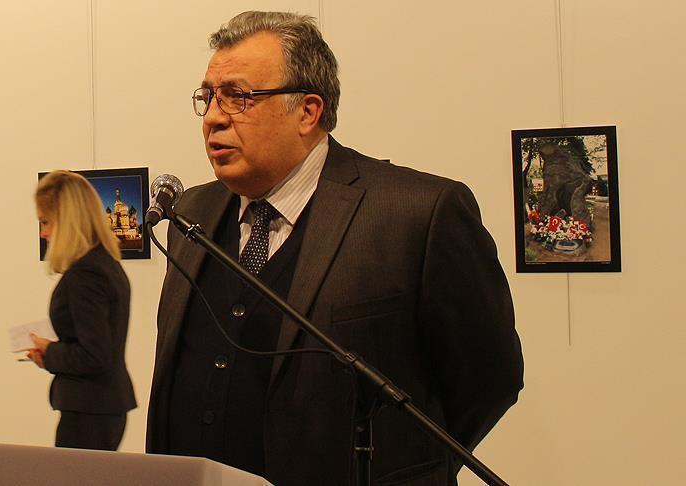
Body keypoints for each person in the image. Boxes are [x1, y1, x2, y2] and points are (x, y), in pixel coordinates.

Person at [145, 11, 524, 486]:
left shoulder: (417, 214)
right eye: (209, 97)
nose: (215, 117)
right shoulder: (189, 211)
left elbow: (489, 378)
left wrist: (403, 466)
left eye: (239, 97)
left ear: (307, 112)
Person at [28, 170, 136, 451]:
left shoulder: (86, 274)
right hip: (100, 406)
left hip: (90, 407)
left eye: (45, 222)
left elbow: (94, 355)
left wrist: (49, 351)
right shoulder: (103, 264)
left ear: (67, 220)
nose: (43, 233)